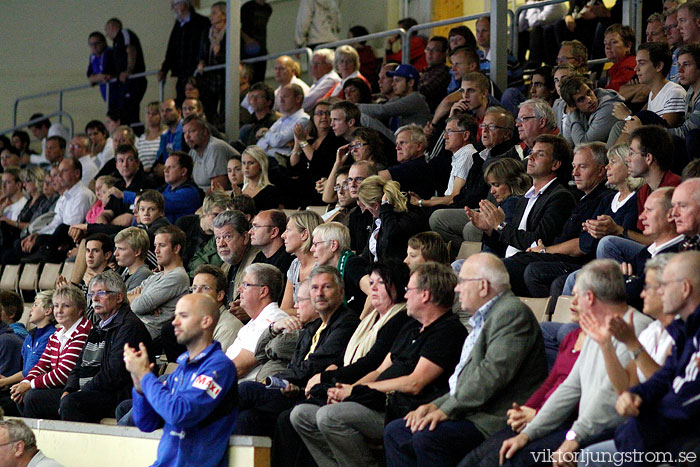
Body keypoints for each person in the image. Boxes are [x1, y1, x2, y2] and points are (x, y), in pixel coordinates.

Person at [384, 253, 546, 466]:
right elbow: (466, 379)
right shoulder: (486, 317)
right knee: (396, 431)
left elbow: (490, 376)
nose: (457, 288)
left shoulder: (511, 314)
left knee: (428, 437)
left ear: (483, 286)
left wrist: (444, 410)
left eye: (462, 282)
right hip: (472, 410)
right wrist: (434, 406)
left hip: (494, 419)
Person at [499, 260, 652, 467]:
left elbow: (608, 397)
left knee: (519, 459)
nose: (572, 301)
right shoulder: (596, 327)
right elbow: (570, 386)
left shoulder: (636, 328)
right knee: (511, 447)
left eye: (576, 295)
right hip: (586, 429)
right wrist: (528, 433)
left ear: (589, 297)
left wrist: (573, 437)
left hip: (612, 434)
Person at [234, 265, 359, 436]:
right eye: (315, 288)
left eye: (327, 287)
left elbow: (316, 364)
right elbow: (270, 357)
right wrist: (285, 381)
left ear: (341, 292)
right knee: (248, 418)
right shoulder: (313, 327)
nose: (320, 293)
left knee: (247, 390)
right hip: (291, 389)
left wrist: (277, 380)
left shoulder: (346, 322)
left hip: (313, 393)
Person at [127, 293, 238, 467]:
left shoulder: (219, 367)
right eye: (175, 315)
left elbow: (180, 414)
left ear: (206, 322)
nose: (174, 322)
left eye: (183, 316)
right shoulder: (181, 369)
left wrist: (147, 377)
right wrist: (140, 387)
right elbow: (146, 423)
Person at [613, 251, 700, 461]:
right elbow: (665, 377)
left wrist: (644, 415)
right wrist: (637, 395)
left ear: (685, 288)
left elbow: (689, 403)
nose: (658, 293)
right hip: (656, 436)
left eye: (664, 286)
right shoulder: (685, 332)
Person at [55, 271, 153, 423]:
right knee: (35, 399)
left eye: (101, 293)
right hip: (92, 389)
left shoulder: (129, 327)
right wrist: (69, 389)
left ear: (119, 297)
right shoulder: (98, 326)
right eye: (92, 294)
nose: (94, 299)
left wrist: (82, 391)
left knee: (71, 403)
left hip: (117, 394)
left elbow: (114, 374)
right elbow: (78, 365)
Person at [15, 286, 92, 418]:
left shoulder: (84, 331)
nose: (59, 311)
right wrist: (26, 382)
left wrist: (30, 385)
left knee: (31, 397)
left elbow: (63, 374)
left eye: (66, 306)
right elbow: (42, 365)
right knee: (19, 394)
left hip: (74, 389)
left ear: (79, 310)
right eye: (56, 306)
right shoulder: (57, 334)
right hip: (58, 386)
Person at [224, 263, 288, 381]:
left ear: (263, 292)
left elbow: (239, 367)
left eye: (245, 285)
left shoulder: (273, 319)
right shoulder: (255, 320)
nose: (239, 289)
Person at [129, 225, 190, 347]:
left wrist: (142, 298)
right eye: (155, 245)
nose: (156, 250)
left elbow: (137, 306)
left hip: (147, 337)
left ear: (176, 248)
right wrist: (143, 297)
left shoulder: (178, 276)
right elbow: (127, 297)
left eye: (162, 245)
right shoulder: (156, 276)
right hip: (135, 327)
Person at [0, 291, 55, 417]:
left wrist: (5, 381)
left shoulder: (51, 336)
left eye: (36, 305)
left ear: (48, 311)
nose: (31, 309)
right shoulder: (30, 336)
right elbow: (26, 369)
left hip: (37, 388)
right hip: (22, 385)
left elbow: (33, 369)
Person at [357, 175, 429, 263]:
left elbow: (392, 235)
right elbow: (366, 255)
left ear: (376, 206)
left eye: (365, 206)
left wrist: (385, 207)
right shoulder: (379, 220)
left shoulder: (411, 215)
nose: (365, 210)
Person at [290, 99, 346, 207]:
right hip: (303, 190)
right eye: (319, 113)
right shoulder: (309, 141)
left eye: (328, 113)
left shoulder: (336, 140)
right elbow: (294, 165)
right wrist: (297, 142)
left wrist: (302, 142)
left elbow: (318, 163)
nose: (324, 117)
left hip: (321, 191)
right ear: (313, 118)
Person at [357, 64, 432, 142]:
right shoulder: (398, 98)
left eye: (397, 80)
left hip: (412, 143)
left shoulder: (415, 98)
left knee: (363, 118)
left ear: (410, 82)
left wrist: (352, 107)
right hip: (401, 141)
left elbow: (383, 110)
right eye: (393, 80)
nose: (393, 84)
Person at [158, 0, 210, 105]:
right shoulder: (178, 25)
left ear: (183, 4)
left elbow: (206, 45)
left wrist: (202, 59)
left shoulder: (201, 22)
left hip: (197, 72)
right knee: (182, 101)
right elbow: (171, 49)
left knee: (199, 102)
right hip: (182, 73)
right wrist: (164, 69)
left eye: (174, 5)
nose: (173, 9)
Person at [310, 222, 368, 314]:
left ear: (333, 245)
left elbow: (374, 292)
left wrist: (361, 324)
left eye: (316, 244)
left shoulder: (352, 265)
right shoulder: (331, 270)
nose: (312, 249)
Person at [560, 74, 624, 146]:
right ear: (574, 105)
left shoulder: (609, 108)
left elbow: (583, 145)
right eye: (581, 99)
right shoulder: (577, 110)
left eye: (588, 93)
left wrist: (574, 114)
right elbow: (568, 144)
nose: (589, 100)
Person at [104, 18, 147, 125]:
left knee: (131, 111)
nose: (106, 34)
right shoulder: (116, 42)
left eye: (107, 30)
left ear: (113, 26)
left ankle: (136, 134)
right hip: (126, 82)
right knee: (123, 112)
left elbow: (131, 50)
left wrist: (128, 71)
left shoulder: (124, 33)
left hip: (133, 80)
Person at [279, 211, 323, 313]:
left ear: (304, 234)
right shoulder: (295, 264)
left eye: (288, 230)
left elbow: (315, 311)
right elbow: (284, 309)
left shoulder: (322, 267)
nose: (283, 235)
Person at [183, 115, 238, 192]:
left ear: (204, 132)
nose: (187, 137)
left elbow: (219, 187)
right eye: (185, 133)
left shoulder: (215, 147)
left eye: (192, 131)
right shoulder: (192, 152)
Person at [257, 84, 310, 161]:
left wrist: (264, 133)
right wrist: (272, 142)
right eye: (280, 97)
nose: (281, 101)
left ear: (298, 98)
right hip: (264, 159)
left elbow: (277, 141)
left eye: (285, 97)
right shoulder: (281, 119)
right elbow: (260, 144)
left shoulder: (303, 119)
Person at [250, 210, 294, 276]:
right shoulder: (260, 256)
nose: (250, 231)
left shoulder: (288, 261)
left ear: (274, 232)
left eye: (256, 227)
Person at [241, 146, 283, 212]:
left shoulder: (270, 192)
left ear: (261, 165)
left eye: (251, 163)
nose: (246, 167)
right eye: (243, 163)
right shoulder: (239, 188)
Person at [241, 0, 272, 83]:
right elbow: (237, 25)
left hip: (261, 47)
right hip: (248, 47)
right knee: (249, 75)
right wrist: (247, 39)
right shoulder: (247, 7)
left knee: (260, 77)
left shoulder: (267, 9)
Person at [114, 227, 152, 292]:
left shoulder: (143, 274)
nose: (115, 253)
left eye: (121, 249)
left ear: (137, 252)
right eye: (116, 248)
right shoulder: (124, 272)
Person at [602, 24, 637, 92]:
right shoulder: (616, 67)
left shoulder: (628, 68)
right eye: (605, 43)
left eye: (613, 42)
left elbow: (611, 94)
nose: (607, 47)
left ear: (628, 46)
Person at [86, 31, 116, 110]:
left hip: (117, 92)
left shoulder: (110, 52)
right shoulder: (92, 57)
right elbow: (89, 75)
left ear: (104, 42)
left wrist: (95, 78)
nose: (94, 46)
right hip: (106, 93)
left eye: (96, 43)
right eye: (91, 44)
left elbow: (106, 75)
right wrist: (96, 78)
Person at [136, 102, 165, 172]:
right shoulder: (142, 138)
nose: (150, 116)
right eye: (148, 113)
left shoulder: (165, 135)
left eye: (154, 114)